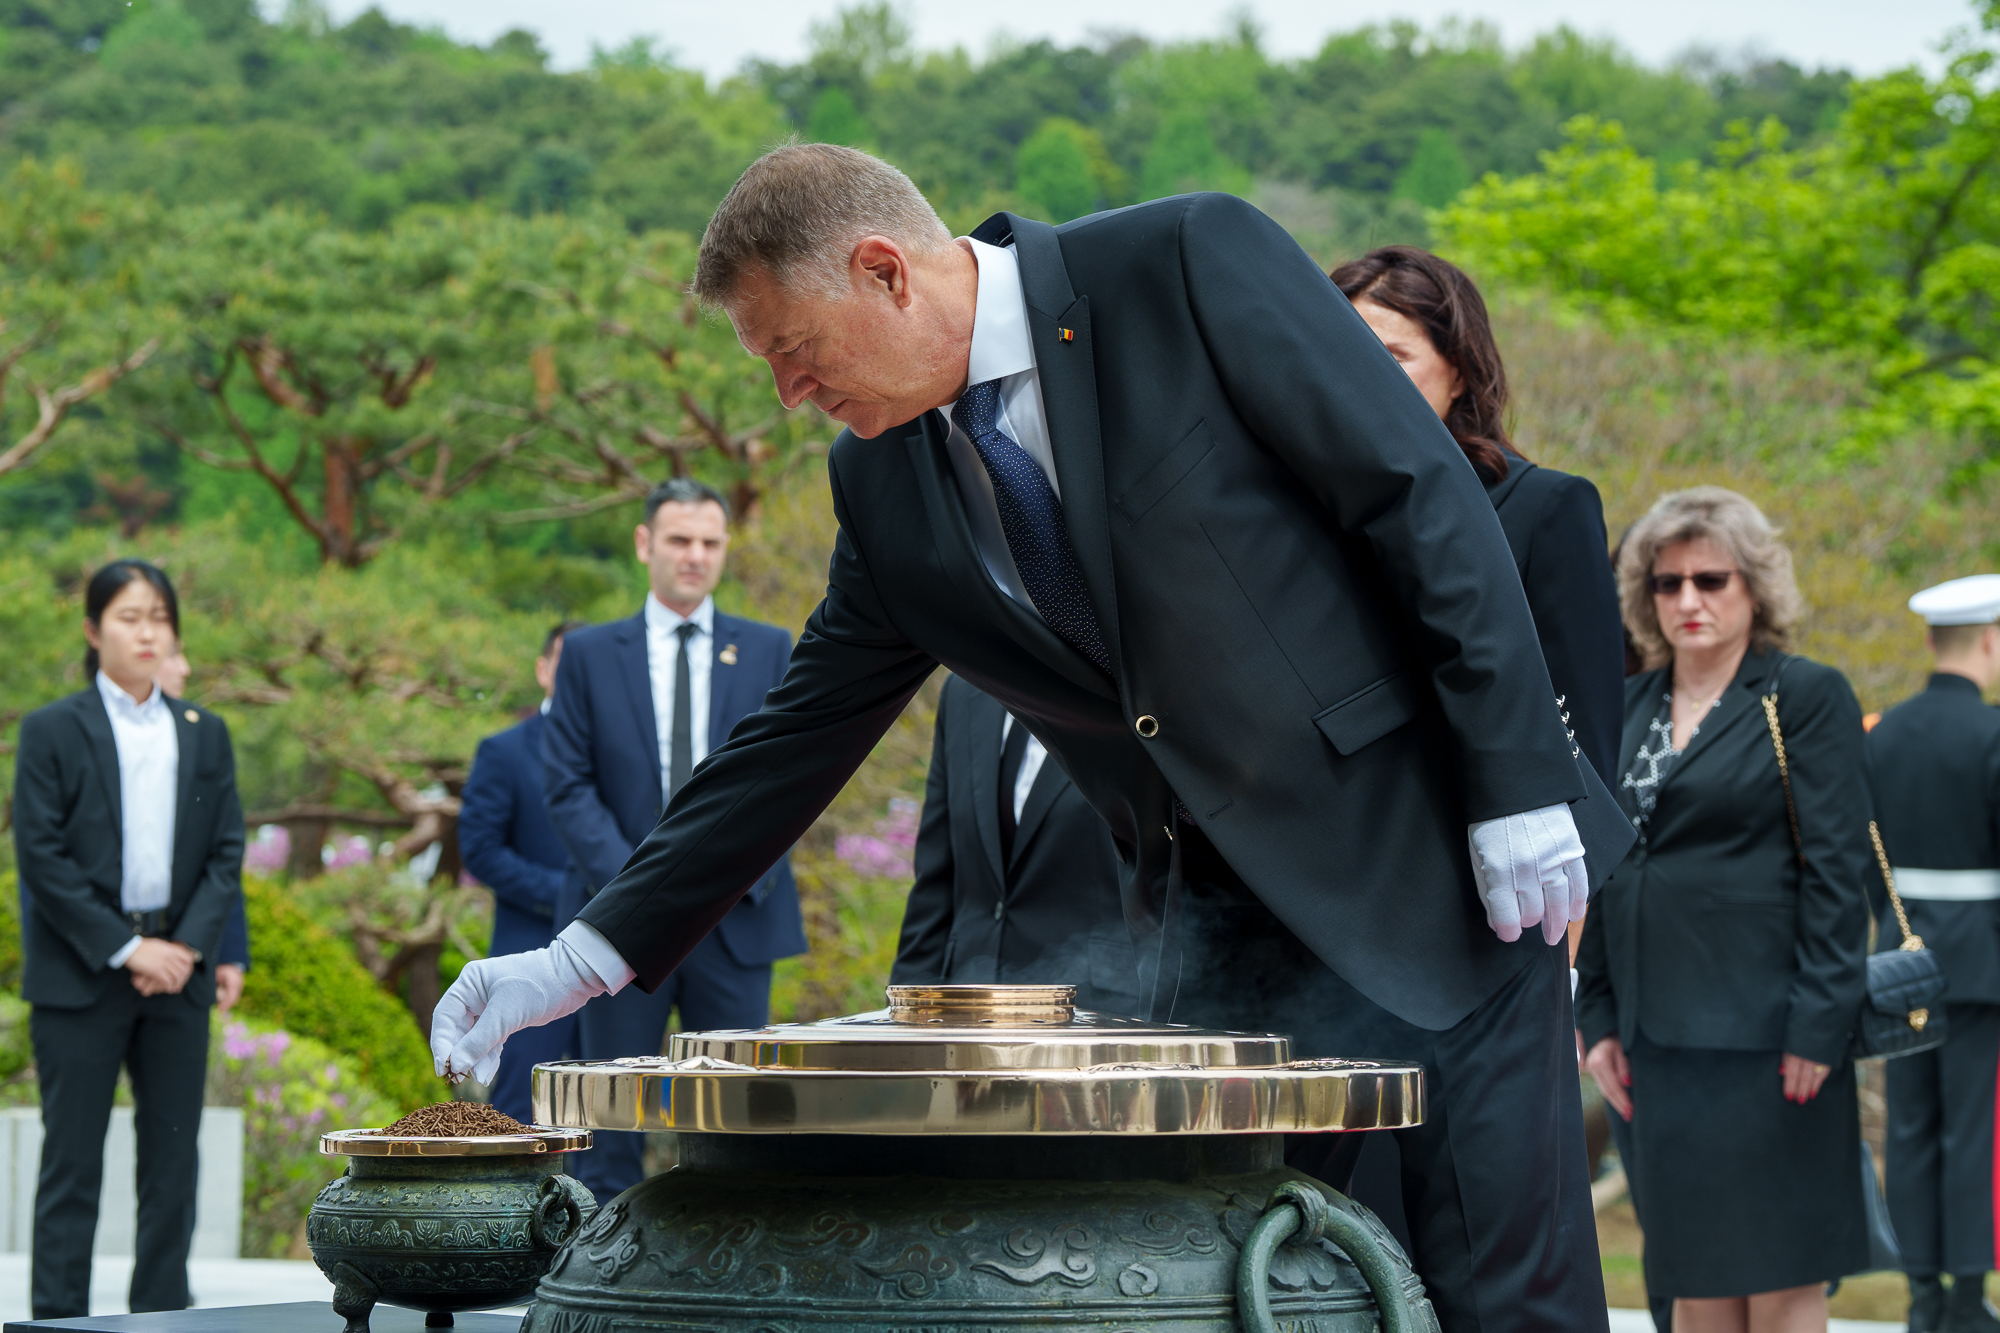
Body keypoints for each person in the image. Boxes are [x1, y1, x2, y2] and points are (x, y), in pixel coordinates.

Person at [434, 145, 1636, 1332]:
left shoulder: (1185, 264)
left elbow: (1416, 494)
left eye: (793, 350)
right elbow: (792, 737)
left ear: (883, 272)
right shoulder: (881, 484)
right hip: (1212, 947)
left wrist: (1517, 783)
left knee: (1497, 1298)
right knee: (1237, 1297)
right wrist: (582, 955)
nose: (788, 396)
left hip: (1432, 871)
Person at [1329, 243, 1627, 1262]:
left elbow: (1587, 755)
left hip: (1488, 932)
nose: (1362, 376)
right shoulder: (1296, 518)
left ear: (1459, 369)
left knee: (1481, 1238)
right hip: (1329, 918)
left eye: (1392, 355)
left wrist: (1558, 962)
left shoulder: (1544, 508)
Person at [1577, 487, 1872, 1333]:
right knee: (1695, 1282)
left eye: (1712, 579)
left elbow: (1836, 869)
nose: (1689, 600)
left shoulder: (1800, 696)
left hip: (1773, 1041)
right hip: (1656, 1044)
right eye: (1667, 582)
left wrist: (1819, 1024)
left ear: (1754, 587)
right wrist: (1598, 1018)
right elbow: (1605, 866)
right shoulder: (1628, 704)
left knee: (1780, 1281)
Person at [540, 477, 805, 1205]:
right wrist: (642, 896)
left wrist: (722, 879)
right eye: (680, 540)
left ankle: (730, 1268)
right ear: (644, 544)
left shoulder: (768, 649)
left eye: (710, 542)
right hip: (616, 929)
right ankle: (604, 1265)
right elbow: (567, 785)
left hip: (734, 919)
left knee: (737, 1128)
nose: (695, 555)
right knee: (609, 1125)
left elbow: (794, 777)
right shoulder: (589, 654)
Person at [14, 560, 244, 1319]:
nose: (148, 632)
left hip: (177, 972)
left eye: (160, 617)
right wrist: (126, 946)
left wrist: (184, 948)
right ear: (92, 629)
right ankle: (58, 1322)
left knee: (173, 1166)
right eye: (129, 616)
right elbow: (41, 856)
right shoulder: (52, 729)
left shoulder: (205, 732)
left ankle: (161, 1319)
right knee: (72, 1164)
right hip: (81, 974)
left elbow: (225, 851)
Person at [1865, 575, 2000, 1333]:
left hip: (1901, 957)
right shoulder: (1993, 734)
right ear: (1990, 641)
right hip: (1981, 961)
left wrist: (1891, 924)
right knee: (1971, 1132)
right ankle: (1965, 1297)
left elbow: (1862, 854)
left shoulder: (1882, 734)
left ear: (1927, 641)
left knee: (1910, 1129)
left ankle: (1921, 1295)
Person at [891, 674, 1142, 1014]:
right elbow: (936, 880)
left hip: (1095, 1012)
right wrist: (906, 1007)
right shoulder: (964, 687)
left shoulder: (1132, 684)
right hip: (965, 1006)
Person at [456, 621, 586, 1126]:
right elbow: (481, 850)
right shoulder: (504, 751)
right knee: (523, 1115)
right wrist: (566, 894)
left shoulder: (626, 752)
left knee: (608, 1118)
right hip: (529, 954)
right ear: (542, 669)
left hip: (614, 972)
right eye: (566, 663)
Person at [155, 645, 248, 1015]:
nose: (185, 669)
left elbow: (222, 852)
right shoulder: (71, 732)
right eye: (173, 656)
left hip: (187, 961)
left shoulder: (202, 734)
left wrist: (227, 952)